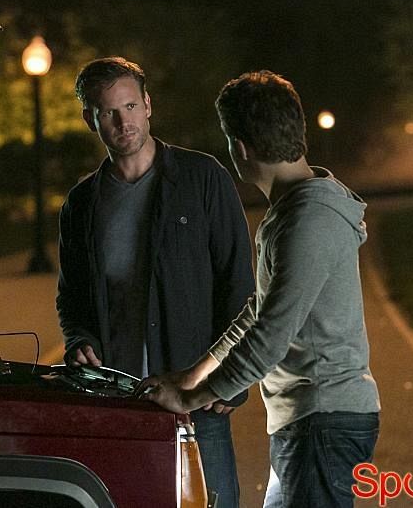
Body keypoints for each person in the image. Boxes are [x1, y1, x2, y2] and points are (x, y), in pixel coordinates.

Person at [138, 70, 381, 508]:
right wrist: (196, 373)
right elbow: (259, 309)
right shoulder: (294, 212)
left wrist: (193, 397)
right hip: (308, 422)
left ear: (241, 148)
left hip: (322, 420)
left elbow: (269, 337)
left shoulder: (309, 220)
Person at [57, 57, 255, 507]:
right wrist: (79, 338)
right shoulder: (82, 204)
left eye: (130, 106)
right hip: (118, 399)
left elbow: (239, 284)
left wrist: (233, 379)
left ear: (147, 105)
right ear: (90, 119)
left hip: (195, 395)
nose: (122, 122)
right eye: (108, 112)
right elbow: (71, 296)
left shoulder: (202, 178)